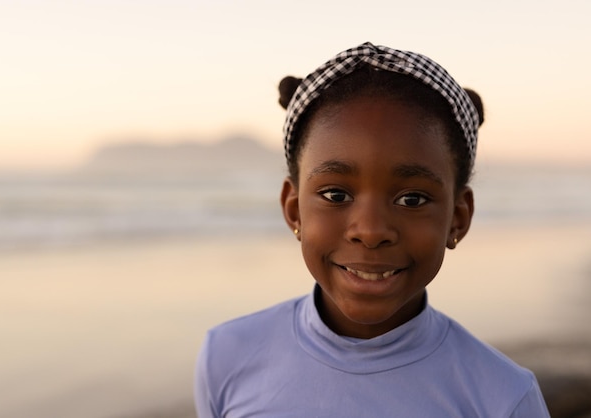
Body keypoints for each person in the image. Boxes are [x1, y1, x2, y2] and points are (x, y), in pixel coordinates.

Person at [194, 42, 550, 417]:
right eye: (335, 194)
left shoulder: (504, 397)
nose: (370, 231)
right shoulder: (227, 355)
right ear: (294, 209)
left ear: (458, 218)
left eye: (412, 199)